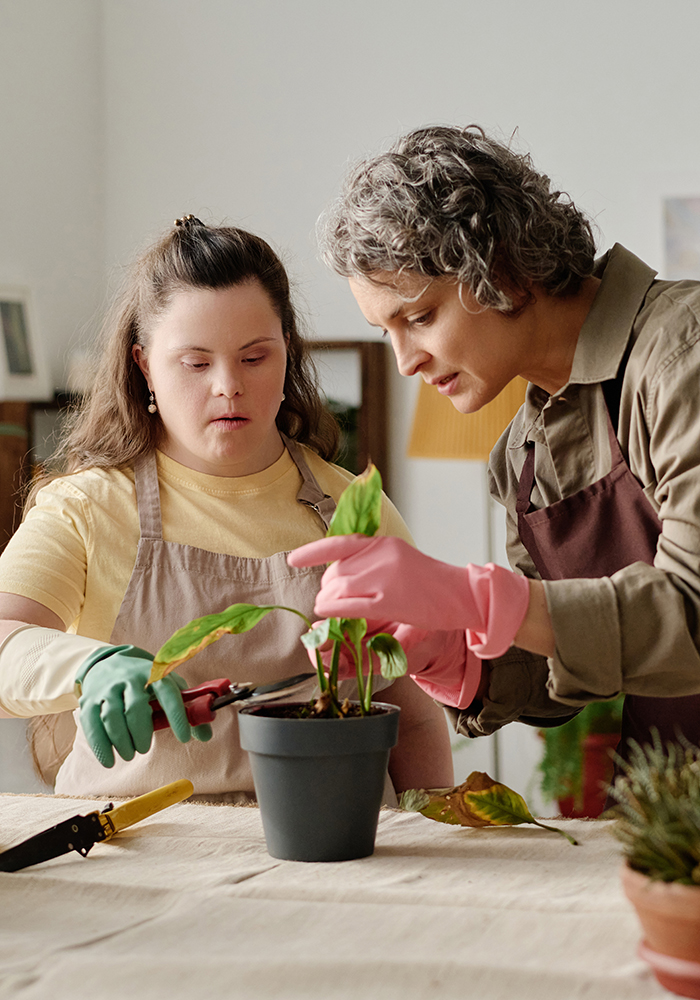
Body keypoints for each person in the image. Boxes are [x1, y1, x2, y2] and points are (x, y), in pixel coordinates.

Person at [0, 216, 453, 801]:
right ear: (145, 368)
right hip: (137, 856)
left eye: (254, 357)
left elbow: (411, 714)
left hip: (331, 858)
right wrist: (92, 667)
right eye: (195, 363)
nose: (228, 386)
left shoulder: (352, 509)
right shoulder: (85, 507)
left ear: (287, 353)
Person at [288, 124, 700, 764]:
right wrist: (447, 649)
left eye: (419, 317)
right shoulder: (521, 458)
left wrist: (479, 595)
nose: (405, 363)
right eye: (386, 331)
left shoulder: (682, 357)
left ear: (501, 270)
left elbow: (691, 614)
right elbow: (562, 665)